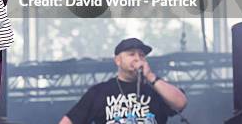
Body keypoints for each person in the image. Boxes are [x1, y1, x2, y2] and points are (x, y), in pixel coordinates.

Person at [59, 38, 188, 124]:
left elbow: (181, 103)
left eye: (141, 55)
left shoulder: (157, 89)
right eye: (131, 54)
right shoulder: (99, 92)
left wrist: (150, 76)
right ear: (118, 61)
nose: (138, 58)